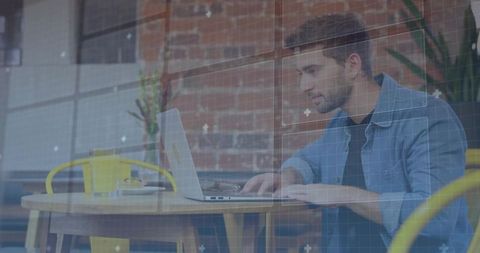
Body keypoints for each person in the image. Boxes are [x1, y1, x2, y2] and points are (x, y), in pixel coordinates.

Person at [242, 13, 472, 253]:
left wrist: (345, 195)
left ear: (353, 65)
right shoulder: (340, 125)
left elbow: (435, 217)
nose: (304, 86)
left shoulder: (427, 117)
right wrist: (288, 177)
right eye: (301, 74)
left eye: (313, 71)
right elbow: (308, 161)